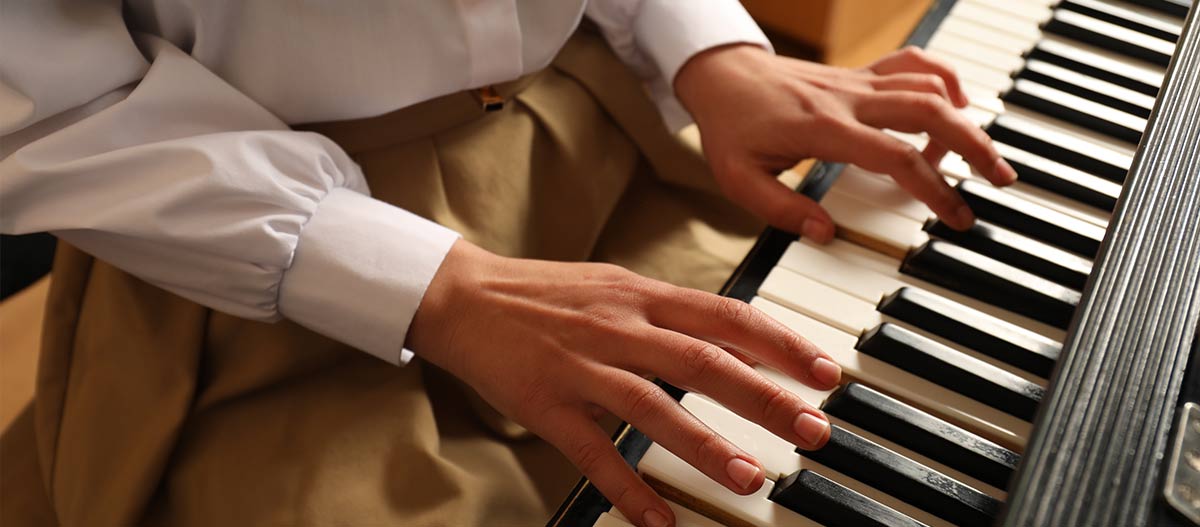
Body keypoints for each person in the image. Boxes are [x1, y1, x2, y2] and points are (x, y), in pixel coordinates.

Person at [0, 1, 1016, 526]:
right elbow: (41, 99)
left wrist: (708, 48)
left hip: (598, 140)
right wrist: (427, 283)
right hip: (253, 245)